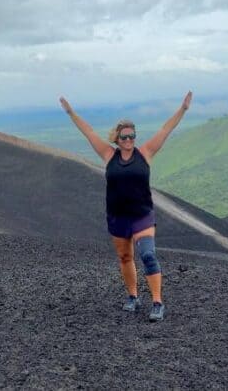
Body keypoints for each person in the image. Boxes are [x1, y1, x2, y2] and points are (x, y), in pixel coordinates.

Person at [59, 92, 192, 321]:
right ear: (117, 139)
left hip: (142, 215)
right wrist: (71, 113)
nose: (129, 140)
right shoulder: (108, 155)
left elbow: (164, 130)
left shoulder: (145, 153)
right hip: (118, 217)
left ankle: (157, 302)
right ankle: (133, 296)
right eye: (125, 137)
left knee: (148, 255)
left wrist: (182, 110)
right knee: (125, 257)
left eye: (132, 136)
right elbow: (88, 132)